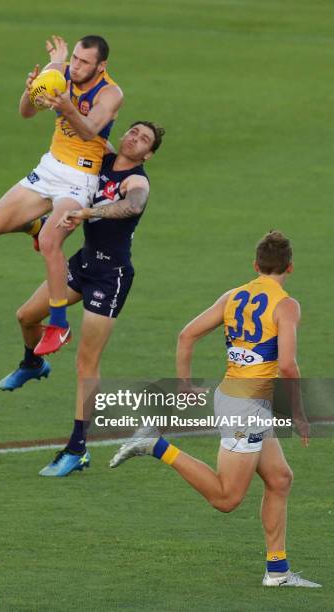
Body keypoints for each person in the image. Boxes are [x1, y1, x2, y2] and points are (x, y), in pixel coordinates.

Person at [110, 231, 321, 588]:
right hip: (248, 408)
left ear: (256, 266)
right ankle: (155, 445)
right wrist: (298, 412)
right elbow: (287, 366)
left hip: (235, 396)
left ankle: (277, 571)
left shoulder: (233, 296)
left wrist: (184, 384)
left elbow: (186, 335)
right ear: (290, 267)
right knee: (226, 499)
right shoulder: (286, 306)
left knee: (280, 479)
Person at [0, 121, 166, 477]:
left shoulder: (136, 181)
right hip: (83, 264)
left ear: (148, 154)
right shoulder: (101, 158)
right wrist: (57, 99)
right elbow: (80, 130)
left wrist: (91, 212)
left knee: (85, 365)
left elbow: (133, 206)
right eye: (133, 132)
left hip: (111, 277)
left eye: (144, 139)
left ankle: (77, 449)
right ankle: (33, 364)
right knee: (26, 316)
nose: (135, 138)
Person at [0, 35, 124, 356]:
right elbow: (26, 113)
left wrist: (65, 106)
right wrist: (33, 90)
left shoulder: (111, 93)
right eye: (74, 58)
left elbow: (89, 129)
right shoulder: (61, 74)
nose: (76, 65)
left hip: (80, 179)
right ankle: (35, 225)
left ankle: (59, 325)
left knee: (50, 242)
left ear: (102, 66)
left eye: (85, 62)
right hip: (50, 168)